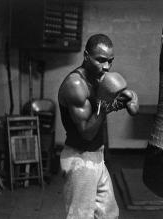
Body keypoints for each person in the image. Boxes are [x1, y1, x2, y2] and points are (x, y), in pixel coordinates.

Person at [58, 34, 139, 219]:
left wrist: (131, 98)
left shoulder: (100, 78)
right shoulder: (75, 84)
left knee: (108, 214)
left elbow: (134, 108)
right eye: (101, 60)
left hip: (97, 156)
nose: (106, 67)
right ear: (86, 56)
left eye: (110, 61)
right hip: (79, 159)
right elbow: (86, 133)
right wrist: (106, 106)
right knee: (81, 216)